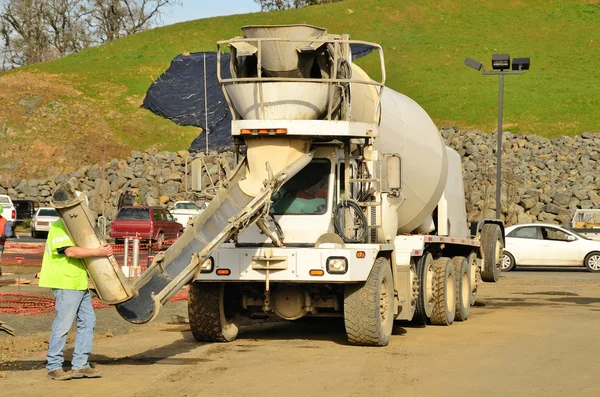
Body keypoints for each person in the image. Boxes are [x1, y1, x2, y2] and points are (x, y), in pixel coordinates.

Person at [38, 217, 113, 380]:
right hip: (65, 281)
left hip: (78, 282)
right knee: (63, 324)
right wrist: (98, 252)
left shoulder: (76, 227)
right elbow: (70, 251)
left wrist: (101, 247)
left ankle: (81, 365)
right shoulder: (61, 226)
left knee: (88, 321)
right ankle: (54, 365)